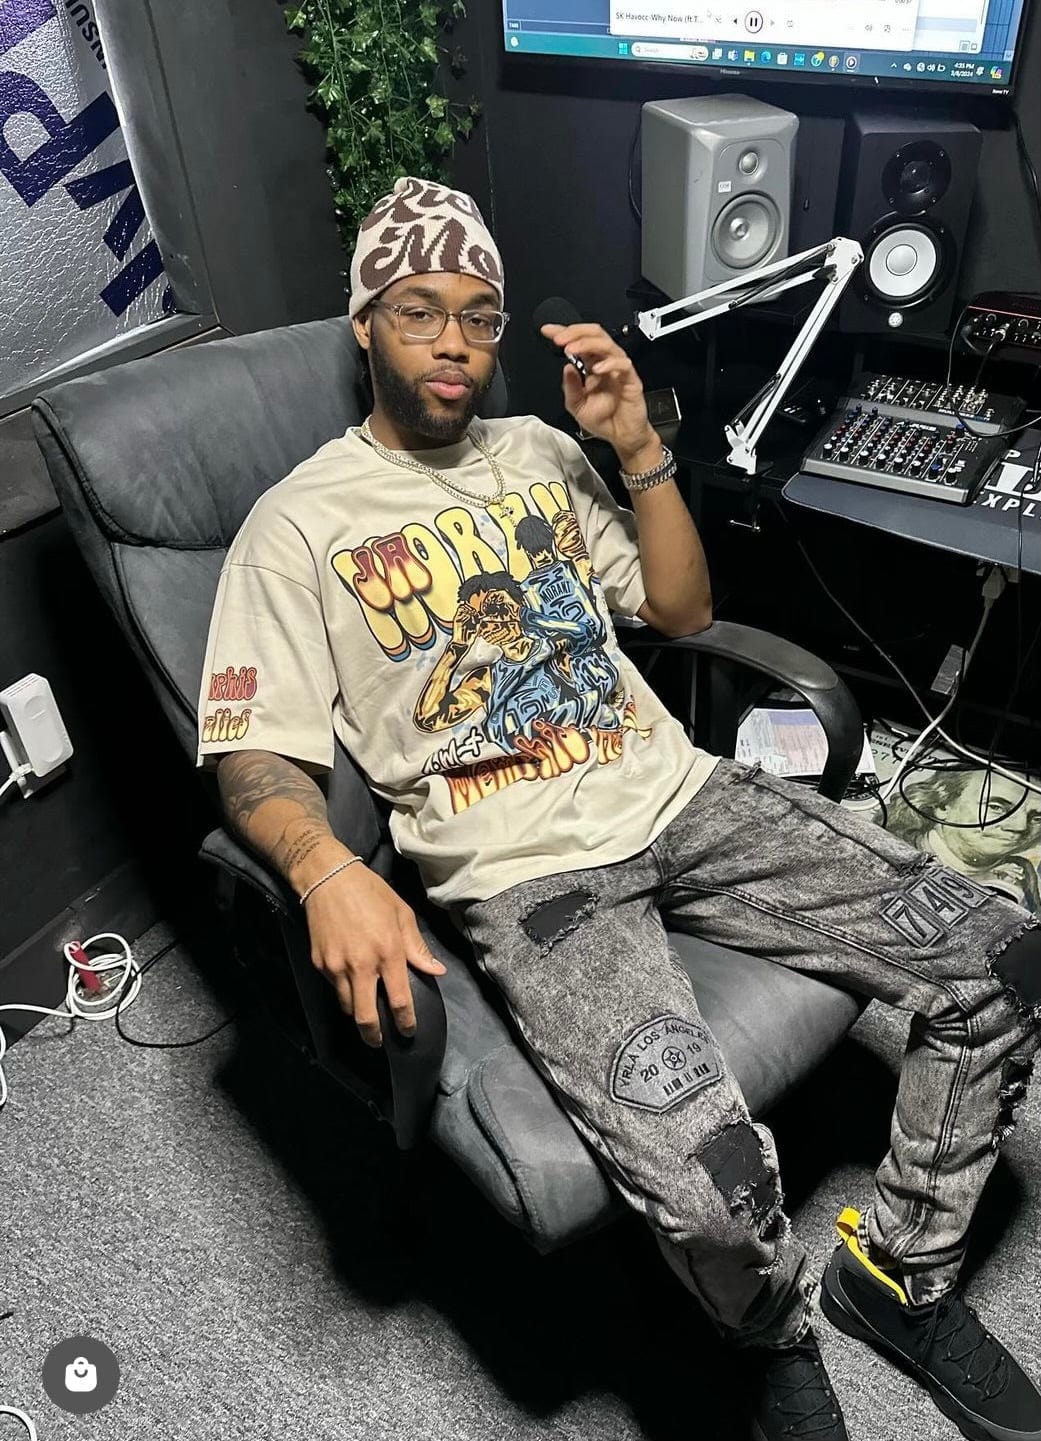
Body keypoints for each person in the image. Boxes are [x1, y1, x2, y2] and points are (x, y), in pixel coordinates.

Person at [197, 175, 1041, 1441]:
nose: (455, 343)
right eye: (420, 312)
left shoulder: (541, 452)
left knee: (1003, 959)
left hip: (682, 796)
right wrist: (326, 870)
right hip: (534, 877)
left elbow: (683, 609)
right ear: (365, 324)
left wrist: (637, 446)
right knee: (712, 1194)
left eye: (480, 316)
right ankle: (770, 1334)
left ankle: (898, 1277)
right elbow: (252, 759)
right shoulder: (298, 524)